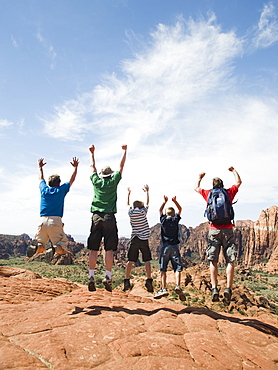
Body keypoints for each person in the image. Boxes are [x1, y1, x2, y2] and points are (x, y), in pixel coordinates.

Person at [194, 166, 242, 303]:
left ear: (213, 186)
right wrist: (233, 171)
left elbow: (196, 188)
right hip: (228, 229)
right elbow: (239, 182)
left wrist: (199, 177)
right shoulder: (228, 193)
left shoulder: (208, 194)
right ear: (222, 185)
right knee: (230, 260)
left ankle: (214, 288)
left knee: (213, 260)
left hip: (214, 230)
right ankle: (228, 288)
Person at [87, 144, 127, 292]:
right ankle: (108, 277)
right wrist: (124, 151)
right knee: (109, 249)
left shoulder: (96, 181)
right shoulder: (114, 181)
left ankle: (91, 276)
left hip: (96, 216)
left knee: (93, 248)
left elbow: (92, 167)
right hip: (110, 217)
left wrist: (92, 153)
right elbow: (121, 166)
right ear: (110, 174)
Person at [27, 157, 79, 260]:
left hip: (42, 221)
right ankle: (55, 248)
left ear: (49, 183)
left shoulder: (44, 189)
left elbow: (40, 178)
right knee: (62, 246)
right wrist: (75, 168)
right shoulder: (61, 190)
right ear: (59, 183)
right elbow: (71, 180)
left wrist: (40, 167)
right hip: (55, 221)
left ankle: (37, 246)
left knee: (41, 246)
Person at [154, 196, 186, 301]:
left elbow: (159, 210)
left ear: (165, 214)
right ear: (173, 214)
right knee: (177, 268)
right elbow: (180, 210)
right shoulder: (175, 220)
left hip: (165, 247)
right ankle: (177, 286)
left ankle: (163, 288)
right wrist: (175, 201)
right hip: (175, 247)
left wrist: (164, 202)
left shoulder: (163, 220)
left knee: (163, 269)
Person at [123, 185, 153, 293]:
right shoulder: (143, 212)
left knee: (130, 260)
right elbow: (148, 203)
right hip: (144, 239)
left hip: (134, 238)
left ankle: (126, 280)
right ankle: (149, 280)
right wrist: (147, 192)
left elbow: (127, 204)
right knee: (147, 260)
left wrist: (128, 194)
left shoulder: (131, 213)